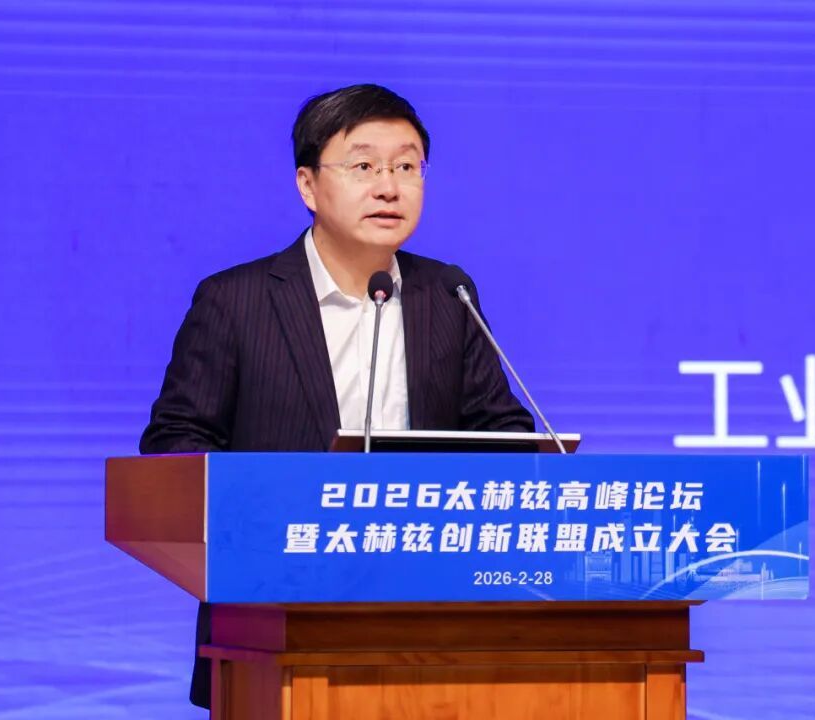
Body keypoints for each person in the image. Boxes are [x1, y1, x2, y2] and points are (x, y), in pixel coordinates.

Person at [138, 83, 534, 709]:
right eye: (364, 166)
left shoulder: (448, 295)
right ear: (308, 185)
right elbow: (175, 446)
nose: (389, 187)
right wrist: (272, 511)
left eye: (407, 167)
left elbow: (501, 432)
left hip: (431, 619)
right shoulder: (235, 300)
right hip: (276, 620)